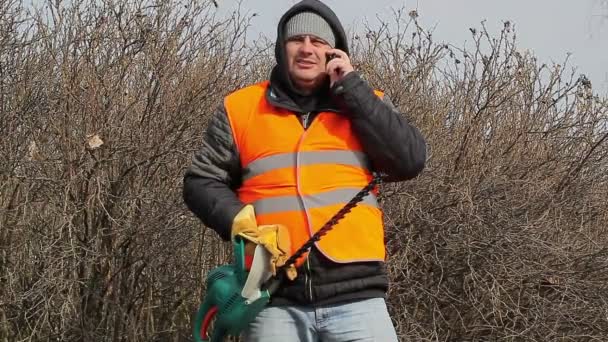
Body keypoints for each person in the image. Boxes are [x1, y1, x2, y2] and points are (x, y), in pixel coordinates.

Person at [183, 0, 427, 340]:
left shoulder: (365, 101)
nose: (307, 49)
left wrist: (353, 88)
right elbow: (200, 181)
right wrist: (239, 221)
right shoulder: (240, 107)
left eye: (318, 42)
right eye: (297, 40)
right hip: (272, 299)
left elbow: (409, 160)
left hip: (358, 296)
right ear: (281, 48)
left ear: (334, 52)